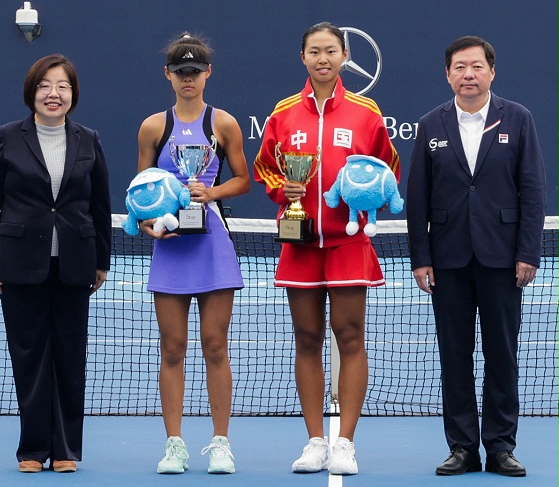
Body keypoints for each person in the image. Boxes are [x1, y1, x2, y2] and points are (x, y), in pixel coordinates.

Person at [254, 22, 400, 475]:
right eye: (315, 51)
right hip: (299, 242)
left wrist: (369, 198)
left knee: (350, 336)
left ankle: (345, 443)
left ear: (343, 56)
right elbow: (264, 167)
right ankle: (316, 440)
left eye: (331, 51)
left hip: (348, 242)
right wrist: (284, 189)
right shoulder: (283, 113)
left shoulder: (366, 112)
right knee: (307, 339)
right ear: (303, 57)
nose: (323, 59)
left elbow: (388, 168)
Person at [406, 36, 546, 477]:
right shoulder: (430, 124)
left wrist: (527, 252)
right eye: (460, 67)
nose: (469, 74)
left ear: (491, 72)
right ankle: (463, 447)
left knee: (502, 355)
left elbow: (532, 191)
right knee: (455, 357)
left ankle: (501, 446)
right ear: (448, 74)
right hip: (447, 260)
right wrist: (420, 257)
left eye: (477, 66)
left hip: (503, 260)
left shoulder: (518, 119)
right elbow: (418, 197)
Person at [0, 54, 111, 473]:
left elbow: (99, 204)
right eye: (45, 86)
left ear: (73, 93)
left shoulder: (89, 139)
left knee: (70, 356)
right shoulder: (6, 137)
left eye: (62, 86)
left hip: (75, 262)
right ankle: (33, 449)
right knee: (30, 356)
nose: (54, 94)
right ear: (32, 92)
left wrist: (102, 259)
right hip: (20, 263)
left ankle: (66, 449)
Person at [136, 32, 250, 475]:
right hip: (171, 247)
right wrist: (147, 223)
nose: (189, 79)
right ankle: (175, 445)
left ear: (208, 74)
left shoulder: (224, 123)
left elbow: (242, 179)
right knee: (172, 347)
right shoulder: (153, 127)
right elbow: (142, 191)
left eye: (196, 71)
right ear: (168, 74)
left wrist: (210, 192)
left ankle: (221, 443)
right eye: (181, 72)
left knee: (215, 345)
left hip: (212, 244)